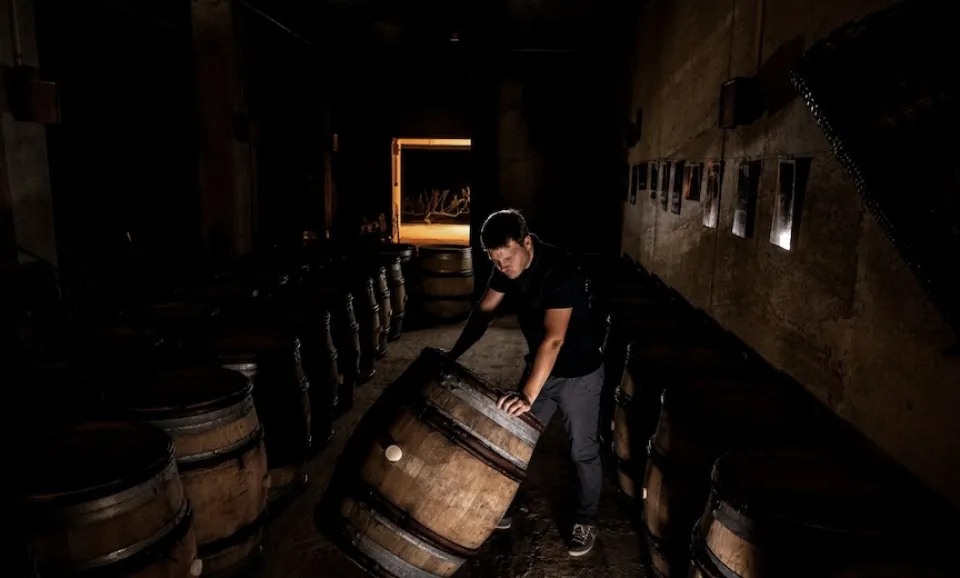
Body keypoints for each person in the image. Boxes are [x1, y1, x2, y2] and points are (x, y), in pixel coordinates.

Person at [444, 208, 604, 557]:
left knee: (583, 450)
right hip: (542, 370)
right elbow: (484, 312)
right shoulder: (507, 268)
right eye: (495, 260)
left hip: (579, 374)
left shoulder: (560, 272)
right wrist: (453, 353)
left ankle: (586, 519)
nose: (503, 267)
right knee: (514, 439)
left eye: (507, 258)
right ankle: (505, 503)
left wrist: (528, 394)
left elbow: (553, 340)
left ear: (527, 243)